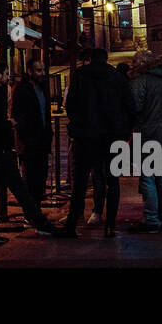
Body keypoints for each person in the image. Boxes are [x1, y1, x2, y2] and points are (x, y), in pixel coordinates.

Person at [0, 59, 55, 244]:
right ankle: (40, 222)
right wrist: (9, 124)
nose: (8, 77)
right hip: (0, 150)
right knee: (18, 188)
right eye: (6, 73)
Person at [58, 47, 134, 238]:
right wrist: (123, 132)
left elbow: (71, 105)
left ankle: (72, 224)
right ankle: (109, 225)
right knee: (112, 180)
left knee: (81, 182)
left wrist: (76, 127)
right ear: (106, 59)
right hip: (111, 137)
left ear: (90, 59)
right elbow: (130, 107)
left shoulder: (80, 76)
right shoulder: (117, 78)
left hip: (86, 137)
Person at [129, 51, 162, 232]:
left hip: (149, 134)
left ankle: (152, 220)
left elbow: (135, 107)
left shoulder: (141, 81)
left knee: (148, 178)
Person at [11, 58, 53, 206]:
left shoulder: (43, 88)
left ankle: (35, 210)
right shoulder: (22, 89)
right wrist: (24, 134)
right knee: (30, 179)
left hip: (42, 140)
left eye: (43, 69)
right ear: (30, 72)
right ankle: (31, 212)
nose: (42, 73)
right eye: (38, 70)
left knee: (41, 177)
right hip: (29, 142)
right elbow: (16, 114)